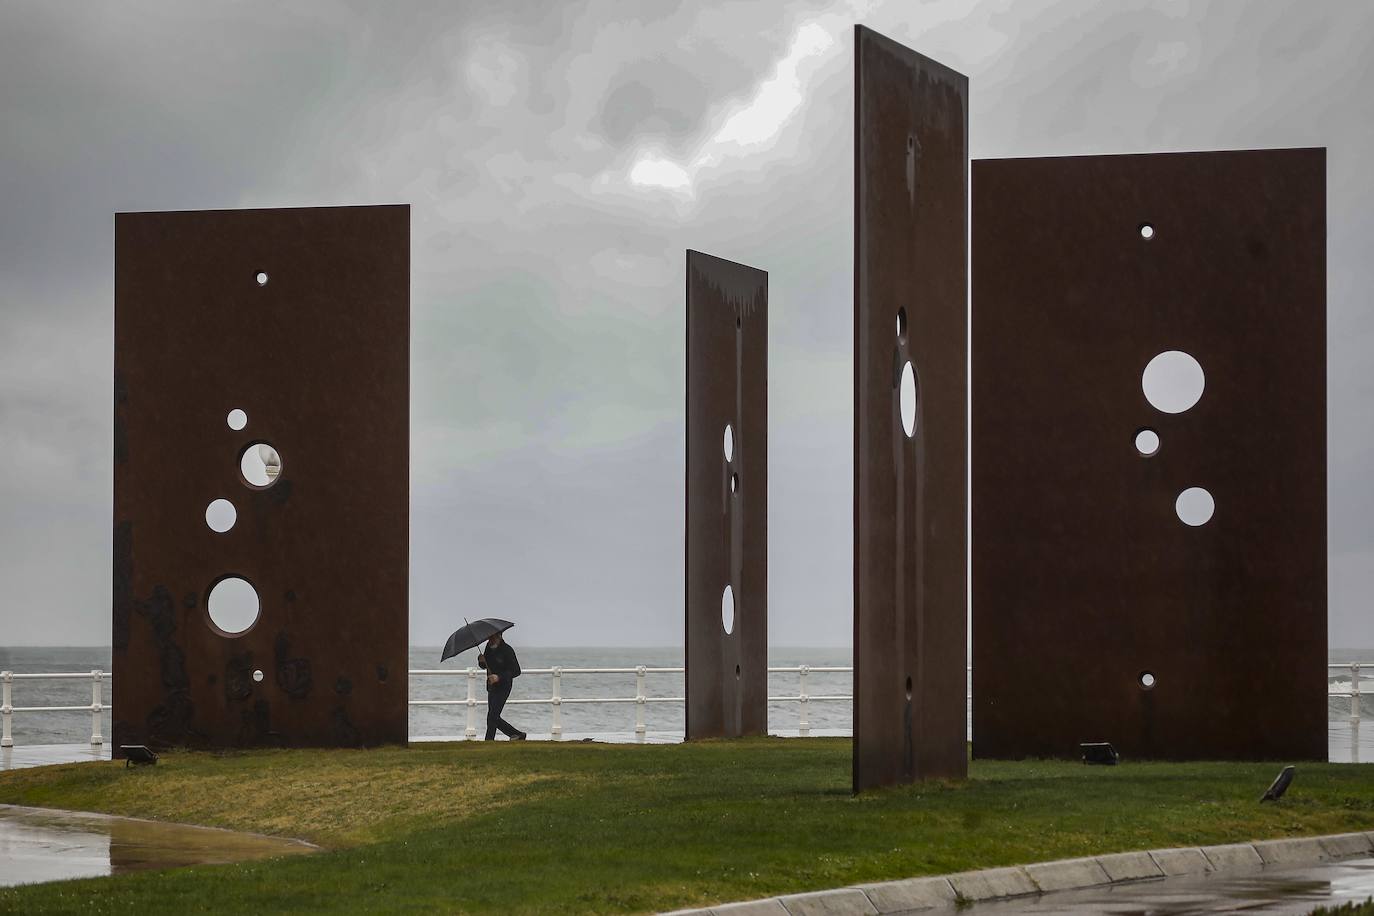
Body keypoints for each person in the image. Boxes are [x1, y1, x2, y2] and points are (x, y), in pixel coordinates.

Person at [477, 632, 526, 741]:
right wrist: (481, 662)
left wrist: (499, 677)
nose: (490, 640)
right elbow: (487, 666)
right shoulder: (488, 648)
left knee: (492, 716)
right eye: (489, 637)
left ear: (499, 636)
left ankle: (489, 740)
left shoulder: (507, 650)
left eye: (492, 637)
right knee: (492, 716)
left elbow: (516, 671)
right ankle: (517, 734)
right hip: (491, 686)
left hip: (503, 687)